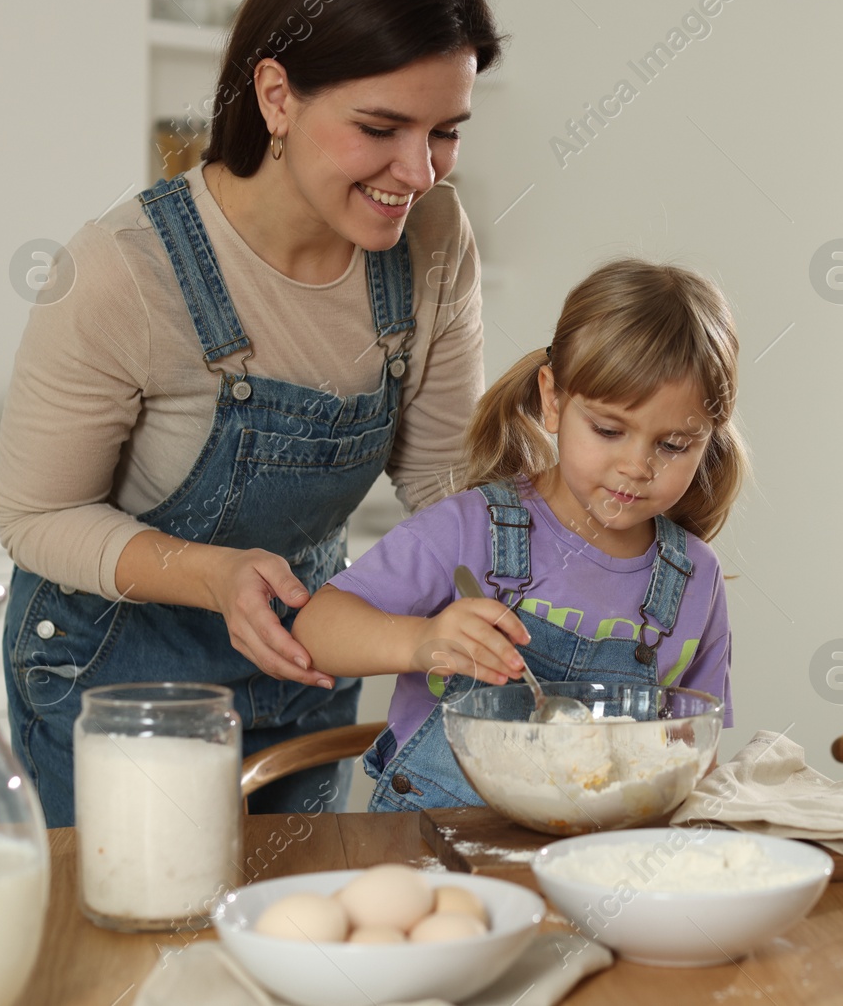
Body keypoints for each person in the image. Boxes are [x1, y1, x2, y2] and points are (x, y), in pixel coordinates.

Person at [0, 0, 504, 828]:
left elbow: (442, 485)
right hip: (112, 681)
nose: (419, 173)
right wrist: (217, 575)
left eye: (446, 131)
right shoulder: (123, 272)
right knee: (136, 952)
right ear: (277, 96)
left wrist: (572, 559)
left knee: (288, 940)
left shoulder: (435, 238)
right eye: (381, 129)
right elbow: (35, 517)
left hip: (300, 667)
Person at [293, 259, 748, 810]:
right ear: (553, 400)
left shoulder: (695, 579)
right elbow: (316, 630)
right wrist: (418, 641)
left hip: (595, 870)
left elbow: (692, 759)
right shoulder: (470, 529)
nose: (636, 465)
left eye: (673, 445)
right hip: (434, 853)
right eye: (608, 430)